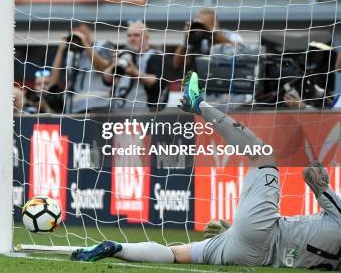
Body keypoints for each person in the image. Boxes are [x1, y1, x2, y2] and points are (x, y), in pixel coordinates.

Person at [70, 72, 340, 270]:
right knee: (177, 254)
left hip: (266, 233)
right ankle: (116, 249)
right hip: (256, 256)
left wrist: (319, 180)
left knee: (263, 154)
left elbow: (315, 181)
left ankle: (199, 104)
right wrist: (237, 230)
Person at [103, 21, 168, 112]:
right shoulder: (122, 55)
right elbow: (106, 80)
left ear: (147, 38)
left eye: (136, 35)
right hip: (118, 113)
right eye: (129, 35)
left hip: (144, 113)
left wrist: (134, 72)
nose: (132, 39)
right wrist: (114, 64)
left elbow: (160, 82)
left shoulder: (155, 56)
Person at [49, 23, 114, 113]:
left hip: (98, 107)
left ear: (89, 33)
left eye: (81, 32)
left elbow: (104, 68)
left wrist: (84, 43)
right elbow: (53, 82)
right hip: (74, 109)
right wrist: (60, 50)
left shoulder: (102, 45)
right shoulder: (71, 54)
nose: (78, 37)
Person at [173, 8, 242, 72]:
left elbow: (239, 50)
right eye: (201, 24)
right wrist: (186, 41)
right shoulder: (196, 37)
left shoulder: (231, 35)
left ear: (216, 23)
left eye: (208, 24)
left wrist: (213, 32)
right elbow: (176, 64)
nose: (204, 27)